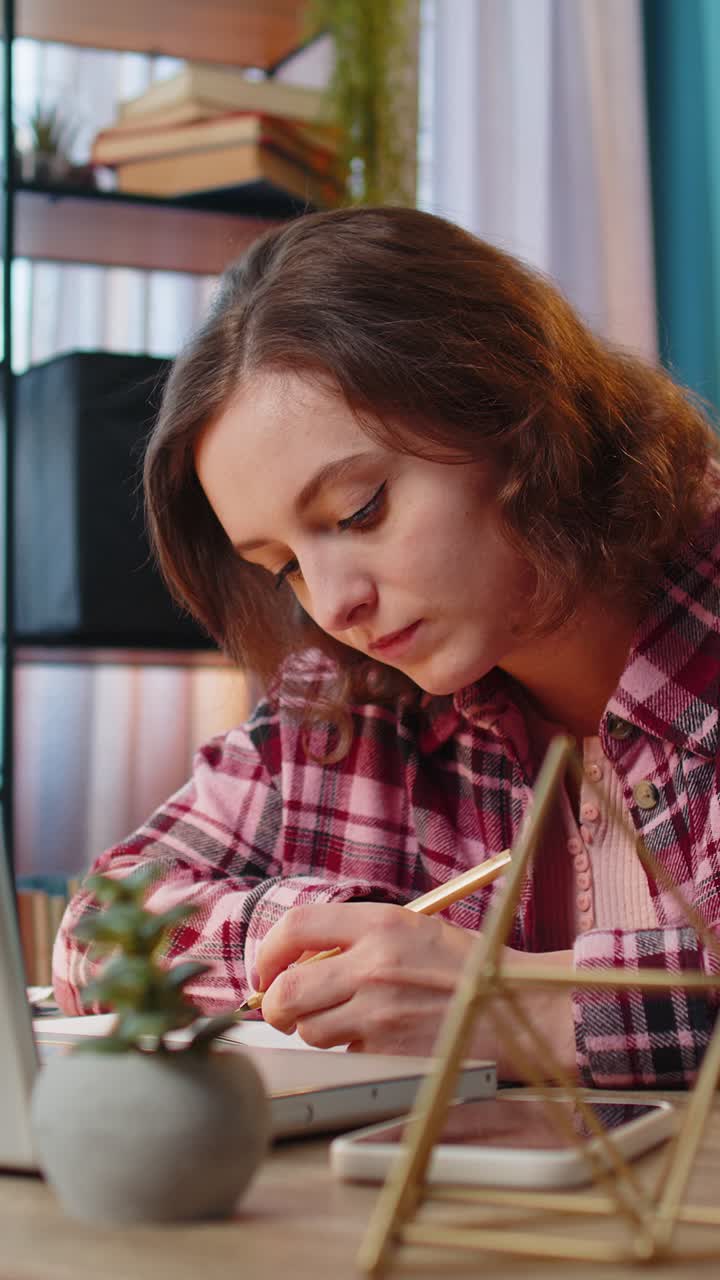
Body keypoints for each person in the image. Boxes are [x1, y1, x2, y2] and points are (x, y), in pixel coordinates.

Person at [52, 206, 720, 1088]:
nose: (335, 604)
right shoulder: (348, 700)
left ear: (515, 418)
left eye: (359, 511)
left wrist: (513, 1008)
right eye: (283, 565)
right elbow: (101, 929)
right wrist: (340, 938)